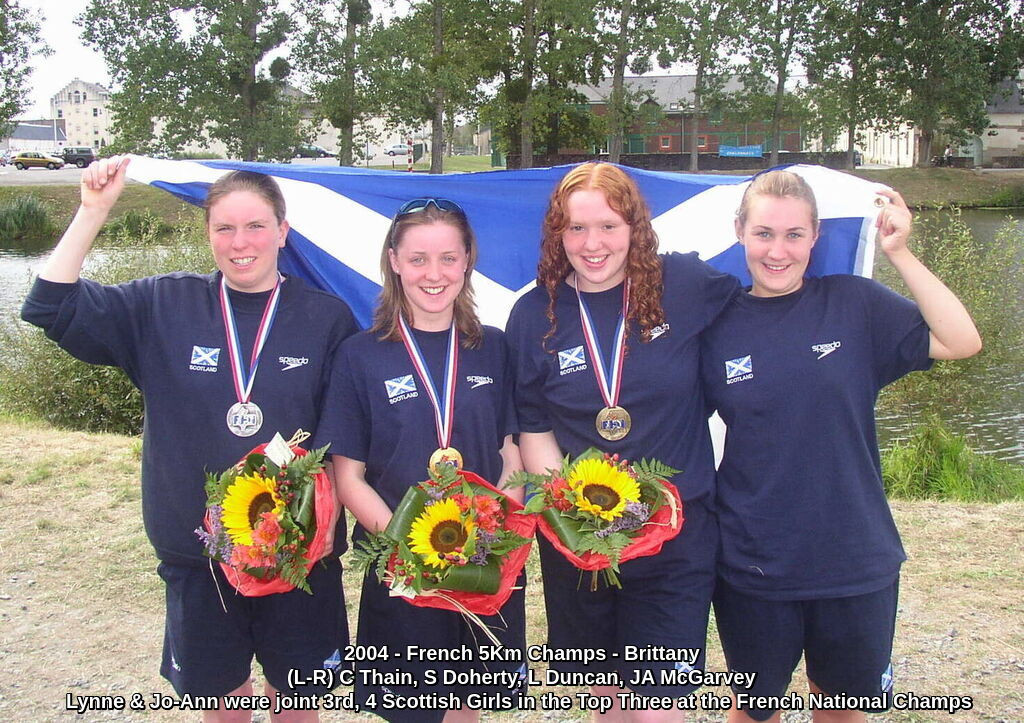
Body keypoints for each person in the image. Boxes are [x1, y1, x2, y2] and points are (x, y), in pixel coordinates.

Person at [21, 157, 358, 722]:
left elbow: (343, 434)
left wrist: (325, 523)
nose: (240, 242)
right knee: (221, 699)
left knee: (298, 699)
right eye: (224, 228)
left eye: (256, 226)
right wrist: (93, 210)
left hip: (297, 552)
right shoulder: (162, 305)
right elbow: (49, 304)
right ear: (207, 235)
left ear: (283, 231)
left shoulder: (326, 317)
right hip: (199, 552)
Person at [700, 169, 981, 723]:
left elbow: (961, 340)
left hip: (853, 553)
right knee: (754, 710)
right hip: (755, 558)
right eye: (764, 233)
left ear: (815, 237)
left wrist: (899, 253)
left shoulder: (853, 304)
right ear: (739, 232)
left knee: (842, 708)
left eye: (794, 235)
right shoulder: (715, 325)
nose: (777, 251)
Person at [505, 162, 739, 722]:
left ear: (635, 226)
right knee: (605, 700)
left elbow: (769, 306)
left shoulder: (684, 286)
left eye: (608, 226)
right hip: (579, 539)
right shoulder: (534, 314)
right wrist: (575, 516)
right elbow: (534, 426)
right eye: (577, 228)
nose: (593, 244)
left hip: (675, 537)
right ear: (557, 234)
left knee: (657, 704)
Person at [317, 197, 525, 723]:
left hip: (482, 561)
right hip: (401, 564)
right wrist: (413, 550)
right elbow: (349, 477)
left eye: (448, 258)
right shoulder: (359, 355)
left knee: (470, 703)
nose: (434, 274)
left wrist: (492, 539)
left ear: (468, 259)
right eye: (418, 259)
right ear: (394, 261)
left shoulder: (495, 348)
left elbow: (512, 456)